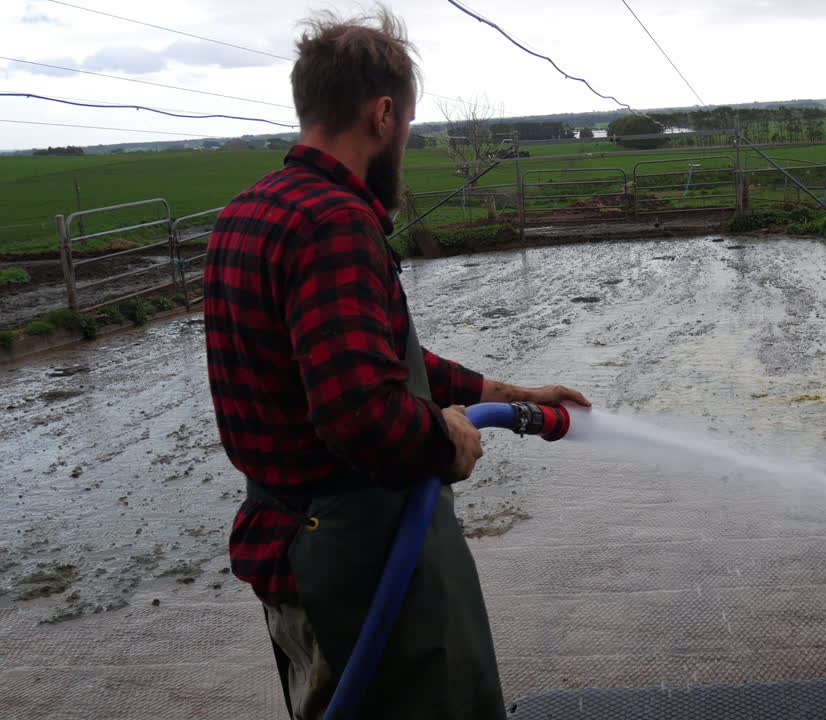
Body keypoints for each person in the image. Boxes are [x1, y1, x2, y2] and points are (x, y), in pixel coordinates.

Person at [202, 7, 589, 719]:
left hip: (289, 554)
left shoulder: (246, 214)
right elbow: (363, 416)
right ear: (383, 115)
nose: (404, 138)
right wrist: (446, 439)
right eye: (407, 124)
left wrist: (508, 394)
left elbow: (375, 359)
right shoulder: (333, 223)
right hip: (358, 565)